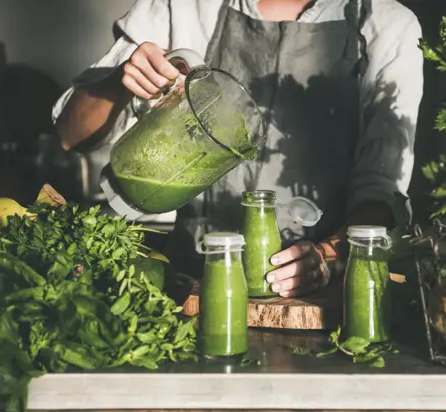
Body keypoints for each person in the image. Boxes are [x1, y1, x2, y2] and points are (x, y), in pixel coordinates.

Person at [52, 0, 423, 298]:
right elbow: (72, 135)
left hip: (322, 297)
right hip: (188, 285)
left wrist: (327, 257)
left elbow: (382, 190)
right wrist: (122, 82)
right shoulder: (183, 7)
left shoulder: (385, 24)